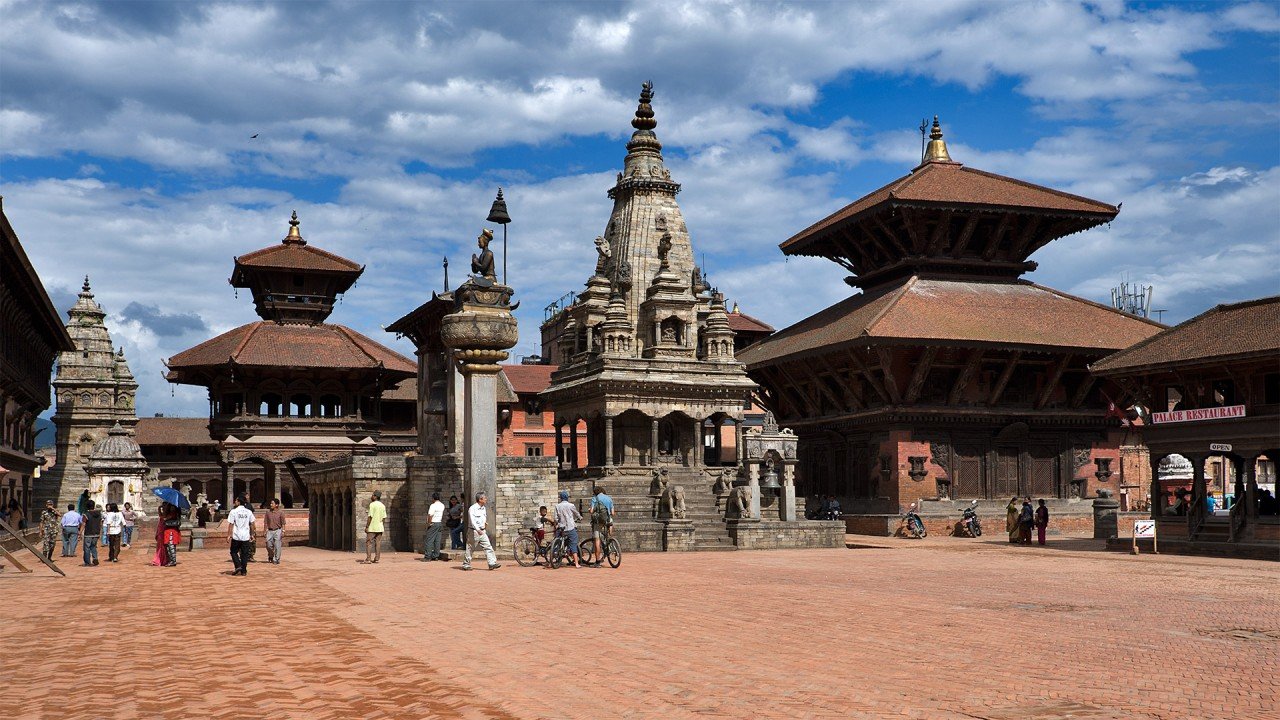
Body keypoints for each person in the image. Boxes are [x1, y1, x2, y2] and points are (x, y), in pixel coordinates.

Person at [462, 492, 500, 571]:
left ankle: (492, 563)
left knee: (488, 547)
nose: (486, 499)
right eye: (484, 498)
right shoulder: (473, 508)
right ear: (480, 499)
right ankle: (466, 564)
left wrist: (484, 526)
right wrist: (477, 529)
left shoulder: (483, 508)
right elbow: (472, 520)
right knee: (470, 548)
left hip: (482, 531)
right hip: (474, 531)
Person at [553, 490, 583, 569]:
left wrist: (556, 525)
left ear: (561, 498)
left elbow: (555, 519)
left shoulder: (557, 506)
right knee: (573, 543)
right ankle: (576, 563)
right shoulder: (571, 505)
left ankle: (554, 558)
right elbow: (576, 513)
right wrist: (580, 517)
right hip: (570, 527)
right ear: (567, 498)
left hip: (561, 527)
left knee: (557, 542)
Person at [227, 495, 255, 576]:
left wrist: (229, 535)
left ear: (239, 502)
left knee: (233, 552)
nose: (235, 502)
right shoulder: (248, 512)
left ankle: (238, 565)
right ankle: (244, 570)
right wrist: (252, 534)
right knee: (244, 554)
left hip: (236, 535)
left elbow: (231, 524)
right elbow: (252, 524)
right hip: (245, 536)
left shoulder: (233, 511)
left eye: (236, 500)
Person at [587, 487, 614, 567]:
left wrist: (590, 510)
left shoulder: (595, 498)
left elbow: (591, 511)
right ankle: (609, 543)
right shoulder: (609, 498)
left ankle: (597, 562)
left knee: (597, 541)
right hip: (608, 520)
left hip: (598, 521)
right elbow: (613, 513)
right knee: (607, 535)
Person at [365, 490, 387, 564]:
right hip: (380, 527)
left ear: (375, 496)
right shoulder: (382, 505)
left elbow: (370, 517)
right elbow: (384, 518)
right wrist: (381, 525)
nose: (371, 496)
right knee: (378, 543)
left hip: (372, 527)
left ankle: (368, 559)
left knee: (369, 542)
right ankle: (377, 558)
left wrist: (367, 526)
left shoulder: (372, 505)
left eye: (372, 495)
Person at [263, 498, 286, 564]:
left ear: (277, 505)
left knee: (277, 545)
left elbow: (283, 523)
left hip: (278, 530)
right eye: (271, 503)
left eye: (272, 503)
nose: (271, 504)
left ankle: (276, 559)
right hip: (270, 530)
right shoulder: (268, 512)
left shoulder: (281, 513)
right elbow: (266, 522)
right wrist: (264, 531)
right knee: (268, 544)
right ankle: (271, 555)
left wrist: (283, 531)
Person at [423, 492, 445, 561]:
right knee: (437, 540)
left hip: (433, 523)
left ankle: (428, 556)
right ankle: (436, 555)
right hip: (439, 522)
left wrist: (429, 523)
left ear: (433, 498)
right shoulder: (442, 505)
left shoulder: (433, 505)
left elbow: (430, 515)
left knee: (429, 540)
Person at [80, 502, 102, 566]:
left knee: (87, 548)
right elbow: (100, 523)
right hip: (96, 533)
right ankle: (95, 558)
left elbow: (83, 524)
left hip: (88, 533)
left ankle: (87, 562)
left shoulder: (86, 514)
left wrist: (80, 532)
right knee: (93, 547)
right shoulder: (99, 514)